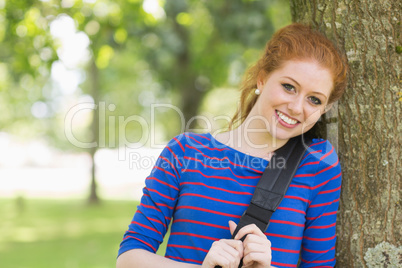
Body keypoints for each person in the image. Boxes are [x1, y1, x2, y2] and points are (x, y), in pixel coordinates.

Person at [116, 23, 348, 268]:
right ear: (262, 79)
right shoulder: (185, 151)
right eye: (289, 87)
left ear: (325, 109)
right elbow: (130, 258)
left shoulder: (319, 164)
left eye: (314, 99)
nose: (297, 107)